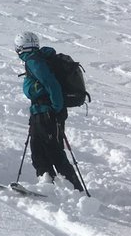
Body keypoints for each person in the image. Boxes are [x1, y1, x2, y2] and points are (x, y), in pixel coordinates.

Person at [14, 31, 84, 191]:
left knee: (54, 152)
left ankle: (75, 189)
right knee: (38, 151)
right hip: (42, 112)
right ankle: (48, 184)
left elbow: (51, 83)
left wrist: (56, 109)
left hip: (47, 114)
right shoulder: (38, 59)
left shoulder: (34, 60)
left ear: (19, 48)